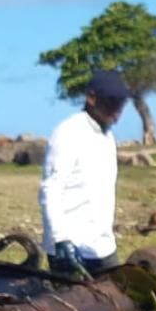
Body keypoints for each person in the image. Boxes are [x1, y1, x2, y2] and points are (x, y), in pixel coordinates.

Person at [40, 69, 130, 276]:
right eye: (111, 102)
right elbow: (51, 188)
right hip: (71, 246)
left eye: (121, 103)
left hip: (103, 246)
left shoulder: (107, 137)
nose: (117, 110)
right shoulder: (69, 132)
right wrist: (60, 238)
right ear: (92, 98)